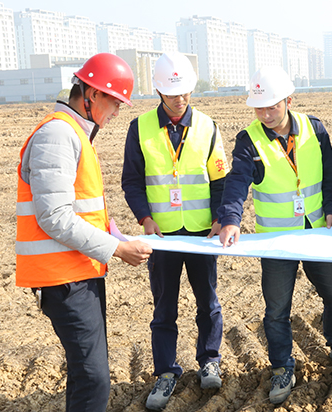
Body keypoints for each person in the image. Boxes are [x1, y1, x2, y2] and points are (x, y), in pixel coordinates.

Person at [15, 53, 153, 412]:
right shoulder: (58, 134)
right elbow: (55, 216)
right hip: (63, 279)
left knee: (85, 373)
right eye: (115, 103)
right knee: (94, 378)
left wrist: (116, 234)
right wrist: (117, 250)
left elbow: (80, 209)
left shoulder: (75, 133)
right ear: (91, 94)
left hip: (80, 271)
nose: (117, 114)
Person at [215, 66, 332, 404]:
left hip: (317, 230)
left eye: (271, 106)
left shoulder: (315, 128)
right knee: (276, 310)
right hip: (276, 241)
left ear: (289, 100)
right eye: (258, 108)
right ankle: (281, 367)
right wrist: (231, 218)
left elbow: (331, 174)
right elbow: (237, 182)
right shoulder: (250, 139)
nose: (264, 114)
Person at [121, 52, 228, 411]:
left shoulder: (209, 126)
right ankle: (166, 372)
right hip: (161, 236)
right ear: (158, 91)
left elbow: (220, 180)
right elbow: (132, 181)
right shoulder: (139, 128)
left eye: (183, 93)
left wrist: (218, 217)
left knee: (207, 302)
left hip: (201, 234)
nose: (178, 100)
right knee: (164, 307)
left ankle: (209, 360)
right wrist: (144, 219)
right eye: (171, 94)